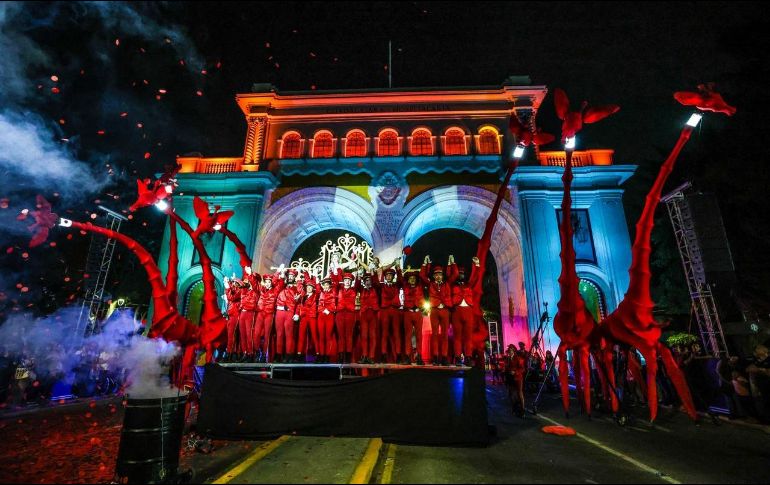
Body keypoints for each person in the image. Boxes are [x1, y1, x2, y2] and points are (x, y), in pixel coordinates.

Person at [420, 255, 456, 366]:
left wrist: (452, 263)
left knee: (444, 335)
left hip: (445, 310)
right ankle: (435, 357)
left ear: (442, 275)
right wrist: (426, 264)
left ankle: (444, 357)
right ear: (434, 276)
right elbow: (422, 275)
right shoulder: (431, 284)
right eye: (436, 275)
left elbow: (455, 275)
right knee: (435, 334)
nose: (438, 277)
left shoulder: (447, 283)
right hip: (434, 310)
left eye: (440, 274)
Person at [448, 255, 480, 366]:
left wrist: (476, 265)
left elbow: (475, 277)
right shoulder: (452, 284)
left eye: (462, 273)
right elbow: (451, 275)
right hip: (457, 310)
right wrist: (452, 264)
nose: (461, 275)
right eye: (459, 273)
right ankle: (457, 357)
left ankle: (468, 357)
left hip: (468, 311)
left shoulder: (469, 284)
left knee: (468, 337)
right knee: (457, 336)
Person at [274, 268, 302, 363]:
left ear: (294, 277)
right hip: (279, 312)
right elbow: (278, 285)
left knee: (289, 335)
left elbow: (299, 302)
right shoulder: (282, 285)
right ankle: (278, 355)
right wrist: (281, 273)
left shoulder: (296, 288)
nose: (290, 277)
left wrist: (297, 313)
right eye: (289, 276)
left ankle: (289, 355)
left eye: (292, 276)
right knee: (279, 334)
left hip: (289, 312)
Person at [378, 262, 403, 363]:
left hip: (395, 311)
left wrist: (397, 268)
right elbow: (376, 280)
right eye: (387, 275)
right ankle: (383, 355)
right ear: (385, 277)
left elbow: (401, 280)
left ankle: (398, 355)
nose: (388, 276)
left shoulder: (397, 285)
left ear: (393, 277)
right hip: (385, 311)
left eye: (390, 275)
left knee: (396, 333)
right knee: (384, 333)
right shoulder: (381, 286)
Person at [402, 269, 425, 365]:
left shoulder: (420, 286)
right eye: (410, 278)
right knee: (408, 336)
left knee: (419, 336)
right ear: (408, 280)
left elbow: (423, 278)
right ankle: (407, 356)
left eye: (413, 278)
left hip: (418, 313)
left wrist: (424, 266)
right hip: (408, 313)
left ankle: (419, 356)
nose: (412, 280)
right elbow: (401, 279)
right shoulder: (405, 287)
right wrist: (400, 271)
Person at [296, 273, 320, 363]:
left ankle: (318, 354)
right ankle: (299, 354)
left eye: (310, 287)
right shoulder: (303, 296)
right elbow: (299, 305)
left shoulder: (315, 295)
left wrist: (316, 278)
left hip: (312, 317)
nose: (309, 288)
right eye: (307, 287)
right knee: (301, 336)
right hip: (304, 317)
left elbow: (318, 290)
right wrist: (297, 314)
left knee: (314, 336)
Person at [357, 272, 380, 364]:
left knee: (372, 336)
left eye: (369, 280)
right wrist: (358, 276)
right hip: (364, 314)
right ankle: (364, 356)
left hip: (373, 314)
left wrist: (374, 274)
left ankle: (371, 356)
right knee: (364, 336)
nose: (368, 282)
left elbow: (377, 283)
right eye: (366, 280)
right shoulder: (361, 289)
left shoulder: (376, 289)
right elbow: (357, 285)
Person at [746, 344, 770, 424]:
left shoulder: (768, 359)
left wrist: (760, 370)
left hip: (767, 385)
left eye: (756, 350)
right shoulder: (758, 360)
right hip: (761, 387)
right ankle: (766, 420)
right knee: (764, 403)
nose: (755, 352)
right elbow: (748, 369)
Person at [317, 276, 337, 363]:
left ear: (329, 286)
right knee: (321, 336)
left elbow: (333, 305)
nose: (325, 286)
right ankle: (322, 355)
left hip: (329, 315)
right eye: (324, 285)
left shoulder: (333, 293)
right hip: (321, 315)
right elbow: (319, 305)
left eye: (327, 285)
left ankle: (327, 356)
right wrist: (323, 309)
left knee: (328, 336)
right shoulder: (321, 293)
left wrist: (328, 309)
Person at [504, 344, 527, 417]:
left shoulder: (517, 358)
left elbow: (523, 369)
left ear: (513, 350)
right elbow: (507, 368)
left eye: (510, 350)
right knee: (511, 394)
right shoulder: (507, 358)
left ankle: (522, 410)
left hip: (518, 378)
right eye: (509, 350)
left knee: (519, 393)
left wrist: (515, 372)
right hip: (510, 378)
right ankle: (514, 408)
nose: (509, 351)